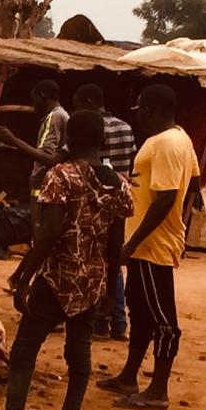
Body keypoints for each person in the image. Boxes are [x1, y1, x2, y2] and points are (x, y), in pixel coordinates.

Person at [0, 111, 132, 410]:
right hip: (91, 281)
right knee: (79, 356)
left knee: (25, 350)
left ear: (70, 139)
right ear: (99, 141)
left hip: (57, 279)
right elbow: (115, 246)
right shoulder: (118, 184)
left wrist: (23, 276)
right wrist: (109, 293)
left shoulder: (61, 176)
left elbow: (50, 232)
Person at [97, 84, 198, 410]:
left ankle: (158, 390)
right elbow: (192, 185)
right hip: (148, 244)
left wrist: (133, 242)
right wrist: (183, 227)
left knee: (163, 318)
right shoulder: (181, 137)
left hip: (151, 245)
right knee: (140, 312)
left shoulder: (165, 143)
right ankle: (129, 375)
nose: (137, 115)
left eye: (139, 108)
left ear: (151, 109)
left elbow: (166, 197)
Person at [0, 80, 69, 290]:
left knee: (41, 236)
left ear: (42, 95)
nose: (32, 103)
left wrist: (13, 139)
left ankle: (31, 285)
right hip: (44, 185)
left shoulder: (54, 117)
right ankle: (19, 278)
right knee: (40, 236)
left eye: (34, 97)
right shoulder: (59, 117)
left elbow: (47, 158)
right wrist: (7, 145)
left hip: (43, 188)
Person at [74, 83, 137, 341]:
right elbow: (130, 161)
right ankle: (119, 323)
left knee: (97, 259)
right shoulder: (125, 126)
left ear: (88, 102)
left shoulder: (92, 128)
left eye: (78, 104)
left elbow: (95, 163)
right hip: (121, 195)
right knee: (114, 257)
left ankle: (100, 319)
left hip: (97, 199)